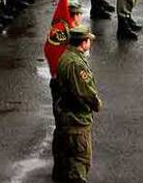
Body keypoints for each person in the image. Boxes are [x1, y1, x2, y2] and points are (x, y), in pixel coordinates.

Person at [54, 25, 102, 183]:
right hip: (77, 121)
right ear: (83, 42)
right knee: (79, 162)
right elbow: (86, 92)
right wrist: (97, 104)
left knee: (64, 162)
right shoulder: (77, 64)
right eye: (89, 40)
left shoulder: (66, 56)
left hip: (65, 118)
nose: (90, 43)